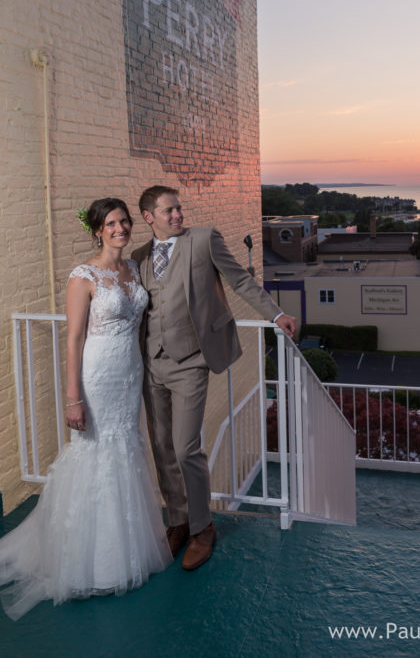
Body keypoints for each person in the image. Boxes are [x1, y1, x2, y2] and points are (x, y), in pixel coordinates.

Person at [0, 198, 172, 620]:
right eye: (111, 223)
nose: (120, 228)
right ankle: (87, 562)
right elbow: (73, 339)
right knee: (92, 451)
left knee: (125, 450)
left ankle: (123, 553)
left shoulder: (132, 268)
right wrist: (73, 397)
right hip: (97, 378)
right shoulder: (83, 276)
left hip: (129, 374)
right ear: (97, 230)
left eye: (124, 221)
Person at [133, 185, 296, 571]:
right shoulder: (139, 257)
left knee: (186, 446)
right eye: (169, 211)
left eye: (179, 209)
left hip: (191, 360)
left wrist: (275, 314)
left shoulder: (204, 240)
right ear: (148, 217)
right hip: (151, 363)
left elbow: (239, 280)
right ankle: (178, 521)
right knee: (161, 447)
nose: (178, 216)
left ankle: (203, 528)